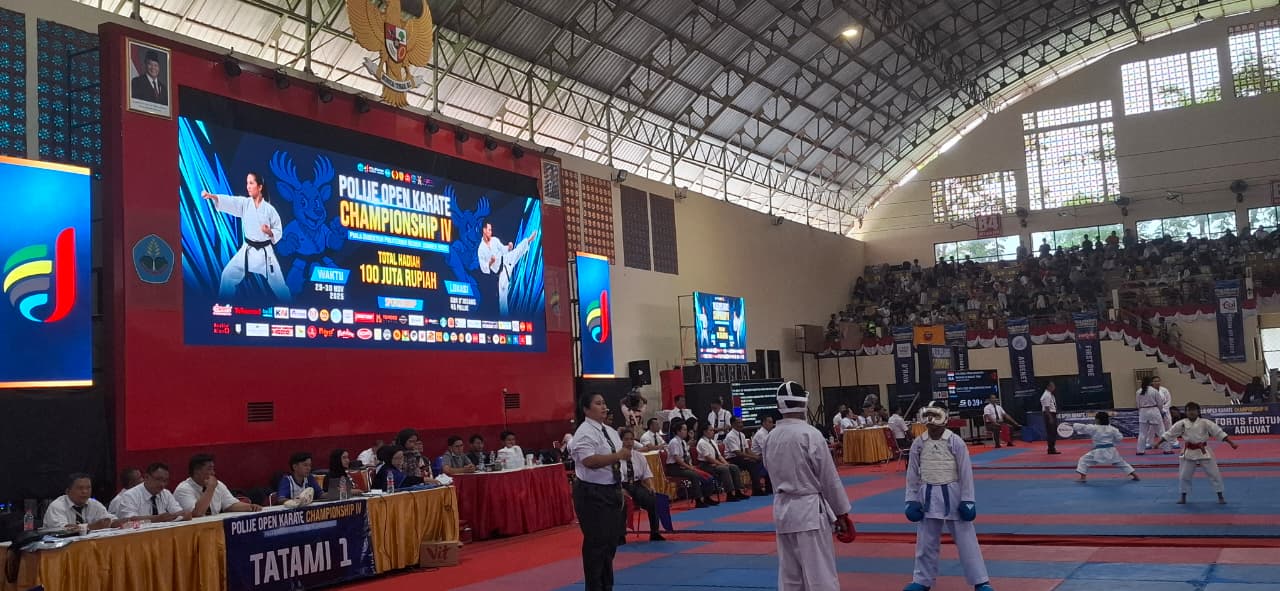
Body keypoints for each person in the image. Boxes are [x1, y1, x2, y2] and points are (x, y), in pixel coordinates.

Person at [761, 382, 854, 591]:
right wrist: (841, 513)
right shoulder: (810, 434)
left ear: (779, 405)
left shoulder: (770, 437)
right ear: (804, 402)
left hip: (782, 510)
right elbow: (828, 478)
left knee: (790, 577)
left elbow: (768, 468)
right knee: (820, 574)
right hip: (809, 510)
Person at [904, 403, 994, 591]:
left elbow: (965, 473)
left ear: (944, 418)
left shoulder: (956, 442)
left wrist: (968, 500)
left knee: (966, 540)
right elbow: (912, 475)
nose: (931, 422)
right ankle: (922, 580)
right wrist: (911, 500)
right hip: (927, 496)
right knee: (925, 542)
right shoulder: (918, 443)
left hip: (953, 495)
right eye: (927, 417)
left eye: (935, 416)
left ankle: (981, 581)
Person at [569, 392, 630, 591]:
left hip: (611, 490)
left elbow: (618, 460)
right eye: (598, 403)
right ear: (586, 409)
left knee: (610, 544)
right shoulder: (584, 432)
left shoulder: (610, 431)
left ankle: (606, 586)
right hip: (592, 493)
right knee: (596, 545)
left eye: (604, 403)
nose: (603, 407)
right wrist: (618, 456)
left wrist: (620, 485)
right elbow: (589, 461)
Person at [201, 174, 291, 301]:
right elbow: (230, 201)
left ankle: (290, 308)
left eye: (251, 183)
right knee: (227, 275)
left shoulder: (270, 210)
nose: (248, 186)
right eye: (247, 183)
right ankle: (223, 306)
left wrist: (269, 232)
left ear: (260, 187)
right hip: (247, 251)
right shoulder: (245, 203)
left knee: (280, 287)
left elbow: (278, 231)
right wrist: (212, 196)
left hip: (265, 254)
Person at [1160, 401, 1239, 504]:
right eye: (1189, 410)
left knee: (1214, 474)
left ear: (1198, 411)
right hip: (1188, 451)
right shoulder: (1182, 423)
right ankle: (1183, 497)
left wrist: (1231, 443)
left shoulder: (1205, 422)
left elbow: (1218, 432)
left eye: (1193, 410)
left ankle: (1220, 496)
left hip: (1204, 451)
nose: (1191, 412)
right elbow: (1170, 433)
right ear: (1186, 412)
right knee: (1184, 475)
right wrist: (1158, 443)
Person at [477, 221, 538, 316]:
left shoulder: (494, 240)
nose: (491, 232)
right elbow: (483, 267)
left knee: (517, 251)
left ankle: (529, 239)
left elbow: (503, 249)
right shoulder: (481, 249)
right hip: (501, 274)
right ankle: (505, 320)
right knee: (502, 299)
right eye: (489, 230)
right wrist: (490, 262)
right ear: (484, 230)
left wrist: (509, 247)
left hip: (505, 259)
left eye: (491, 230)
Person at [618, 427, 666, 542]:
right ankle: (620, 535)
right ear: (621, 441)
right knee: (622, 503)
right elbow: (614, 477)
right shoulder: (616, 457)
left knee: (652, 500)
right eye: (626, 439)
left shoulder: (639, 456)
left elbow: (646, 475)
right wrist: (620, 489)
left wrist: (651, 487)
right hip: (622, 486)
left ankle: (655, 532)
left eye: (631, 439)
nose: (629, 442)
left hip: (636, 485)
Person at [175, 454, 262, 516]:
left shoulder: (218, 485)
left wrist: (250, 507)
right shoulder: (183, 489)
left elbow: (230, 504)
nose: (213, 473)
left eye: (213, 469)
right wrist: (210, 489)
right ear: (197, 471)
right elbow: (197, 513)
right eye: (209, 469)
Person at [1073, 412, 1139, 483]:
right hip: (1111, 450)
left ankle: (1083, 477)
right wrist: (1113, 442)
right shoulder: (1112, 428)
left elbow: (1083, 427)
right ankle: (1135, 475)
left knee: (1083, 460)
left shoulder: (1094, 428)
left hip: (1098, 451)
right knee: (1122, 463)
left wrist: (1073, 425)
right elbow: (1119, 438)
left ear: (1098, 420)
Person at [664, 421, 716, 508]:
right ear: (678, 431)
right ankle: (698, 500)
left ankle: (707, 497)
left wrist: (691, 466)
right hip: (674, 468)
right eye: (684, 430)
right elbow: (677, 459)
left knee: (707, 475)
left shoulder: (683, 442)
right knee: (694, 475)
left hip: (683, 466)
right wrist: (689, 467)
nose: (686, 432)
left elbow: (686, 457)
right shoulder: (674, 442)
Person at [116, 463, 189, 521]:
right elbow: (129, 520)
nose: (162, 484)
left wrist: (182, 515)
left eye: (165, 481)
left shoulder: (165, 493)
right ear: (146, 477)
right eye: (158, 479)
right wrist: (157, 518)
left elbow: (181, 513)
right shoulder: (130, 495)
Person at [43, 473, 116, 531]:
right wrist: (92, 527)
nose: (85, 491)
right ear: (68, 491)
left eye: (88, 488)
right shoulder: (57, 506)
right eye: (80, 488)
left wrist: (118, 522)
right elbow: (63, 530)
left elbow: (110, 520)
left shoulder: (94, 504)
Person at [696, 423, 748, 501]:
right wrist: (721, 464)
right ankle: (729, 493)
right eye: (711, 430)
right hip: (705, 465)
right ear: (705, 432)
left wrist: (725, 463)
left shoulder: (712, 441)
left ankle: (738, 491)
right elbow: (709, 458)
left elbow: (719, 456)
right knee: (724, 469)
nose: (713, 432)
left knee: (733, 467)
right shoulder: (701, 442)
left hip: (715, 463)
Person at [724, 417, 770, 495]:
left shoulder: (742, 435)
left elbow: (747, 450)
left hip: (741, 457)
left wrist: (756, 457)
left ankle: (768, 486)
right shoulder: (730, 436)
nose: (741, 425)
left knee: (760, 460)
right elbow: (737, 452)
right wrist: (753, 457)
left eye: (741, 422)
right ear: (732, 424)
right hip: (732, 458)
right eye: (739, 423)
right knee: (752, 463)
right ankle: (756, 489)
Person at [1136, 376, 1170, 455]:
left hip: (1143, 412)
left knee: (1142, 433)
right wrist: (1161, 411)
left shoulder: (1138, 391)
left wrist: (1141, 411)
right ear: (1150, 382)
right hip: (1154, 411)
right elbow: (1160, 403)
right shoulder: (1154, 391)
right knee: (1161, 431)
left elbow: (1138, 404)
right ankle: (1167, 449)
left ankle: (1140, 451)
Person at [1154, 376, 1177, 453]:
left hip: (1165, 410)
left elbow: (1168, 400)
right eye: (1155, 381)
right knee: (1152, 428)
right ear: (1152, 382)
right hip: (1155, 410)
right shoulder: (1150, 391)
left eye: (1158, 381)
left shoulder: (1164, 390)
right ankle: (1150, 442)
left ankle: (1173, 441)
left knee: (1169, 426)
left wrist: (1164, 409)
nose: (1157, 382)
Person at [1040, 382, 1061, 455]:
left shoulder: (1049, 394)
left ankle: (1052, 448)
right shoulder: (1046, 395)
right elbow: (1046, 407)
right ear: (1048, 386)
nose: (1054, 387)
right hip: (1049, 414)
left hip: (1051, 413)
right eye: (1053, 386)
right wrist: (1050, 417)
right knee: (1051, 432)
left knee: (1053, 432)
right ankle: (1051, 449)